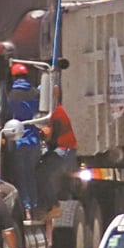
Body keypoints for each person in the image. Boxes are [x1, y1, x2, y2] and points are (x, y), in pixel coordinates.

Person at [6, 63, 43, 219]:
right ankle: (34, 206)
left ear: (13, 77)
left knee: (22, 176)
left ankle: (26, 208)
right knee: (31, 175)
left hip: (19, 141)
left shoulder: (10, 95)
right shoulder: (36, 93)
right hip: (34, 140)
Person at [37, 86, 76, 220]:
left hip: (63, 149)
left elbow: (47, 133)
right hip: (61, 148)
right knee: (41, 167)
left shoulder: (54, 113)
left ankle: (54, 206)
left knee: (42, 173)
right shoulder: (57, 109)